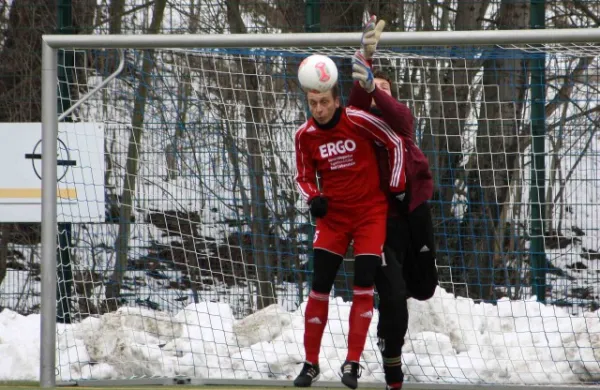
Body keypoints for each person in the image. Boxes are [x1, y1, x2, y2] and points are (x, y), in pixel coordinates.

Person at [293, 75, 408, 389]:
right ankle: (310, 363)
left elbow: (395, 142)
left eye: (324, 102)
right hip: (334, 218)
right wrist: (313, 197)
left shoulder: (358, 120)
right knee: (319, 287)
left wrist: (397, 187)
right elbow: (302, 176)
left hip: (370, 214)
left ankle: (352, 362)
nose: (319, 108)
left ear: (336, 100)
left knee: (363, 284)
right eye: (313, 103)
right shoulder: (304, 135)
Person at [348, 15, 440, 390]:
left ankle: (393, 322)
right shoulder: (358, 122)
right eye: (374, 91)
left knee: (424, 287)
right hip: (378, 219)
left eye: (384, 89)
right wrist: (364, 60)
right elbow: (357, 100)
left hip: (414, 210)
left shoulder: (400, 120)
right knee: (394, 294)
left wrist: (377, 88)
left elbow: (398, 113)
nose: (378, 94)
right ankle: (392, 359)